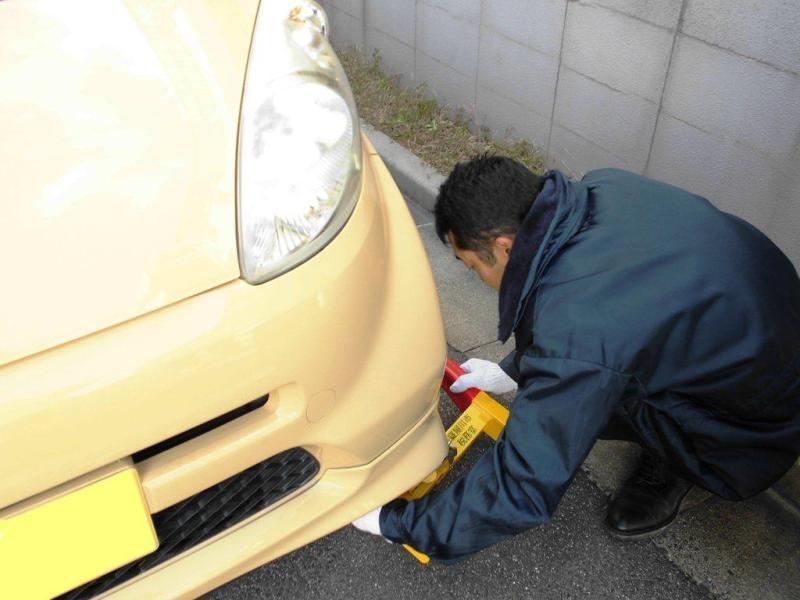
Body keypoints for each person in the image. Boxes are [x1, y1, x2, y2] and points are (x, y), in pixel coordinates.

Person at [352, 155, 800, 562]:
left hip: (751, 428)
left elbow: (521, 484)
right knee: (587, 376)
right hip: (766, 341)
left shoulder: (578, 334)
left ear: (506, 247)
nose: (479, 277)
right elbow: (621, 315)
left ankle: (682, 467)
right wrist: (512, 372)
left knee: (584, 404)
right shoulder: (602, 188)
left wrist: (397, 524)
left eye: (474, 267)